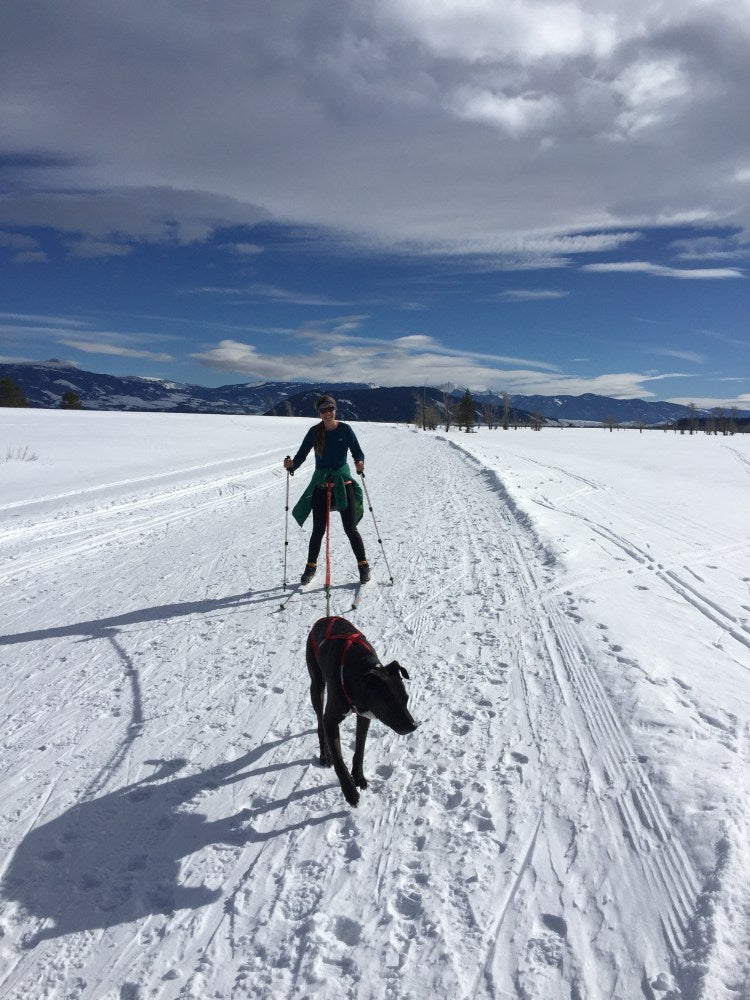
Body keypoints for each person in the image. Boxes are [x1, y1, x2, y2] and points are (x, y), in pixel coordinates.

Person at [283, 394, 370, 585]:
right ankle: (311, 567)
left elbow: (357, 452)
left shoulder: (345, 430)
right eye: (323, 410)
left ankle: (363, 566)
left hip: (342, 481)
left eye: (330, 409)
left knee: (350, 527)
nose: (327, 413)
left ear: (335, 409)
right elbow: (301, 455)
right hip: (321, 483)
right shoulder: (315, 432)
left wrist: (359, 463)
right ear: (319, 413)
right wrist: (291, 465)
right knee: (318, 529)